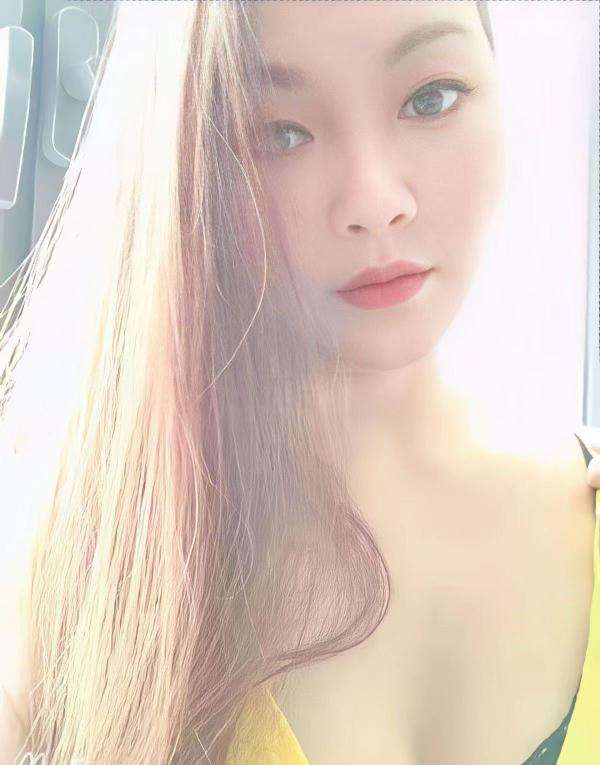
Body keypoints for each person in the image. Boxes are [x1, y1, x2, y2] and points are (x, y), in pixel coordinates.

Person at [0, 2, 596, 764]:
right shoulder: (96, 571)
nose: (374, 201)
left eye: (431, 98)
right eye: (280, 135)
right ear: (192, 170)